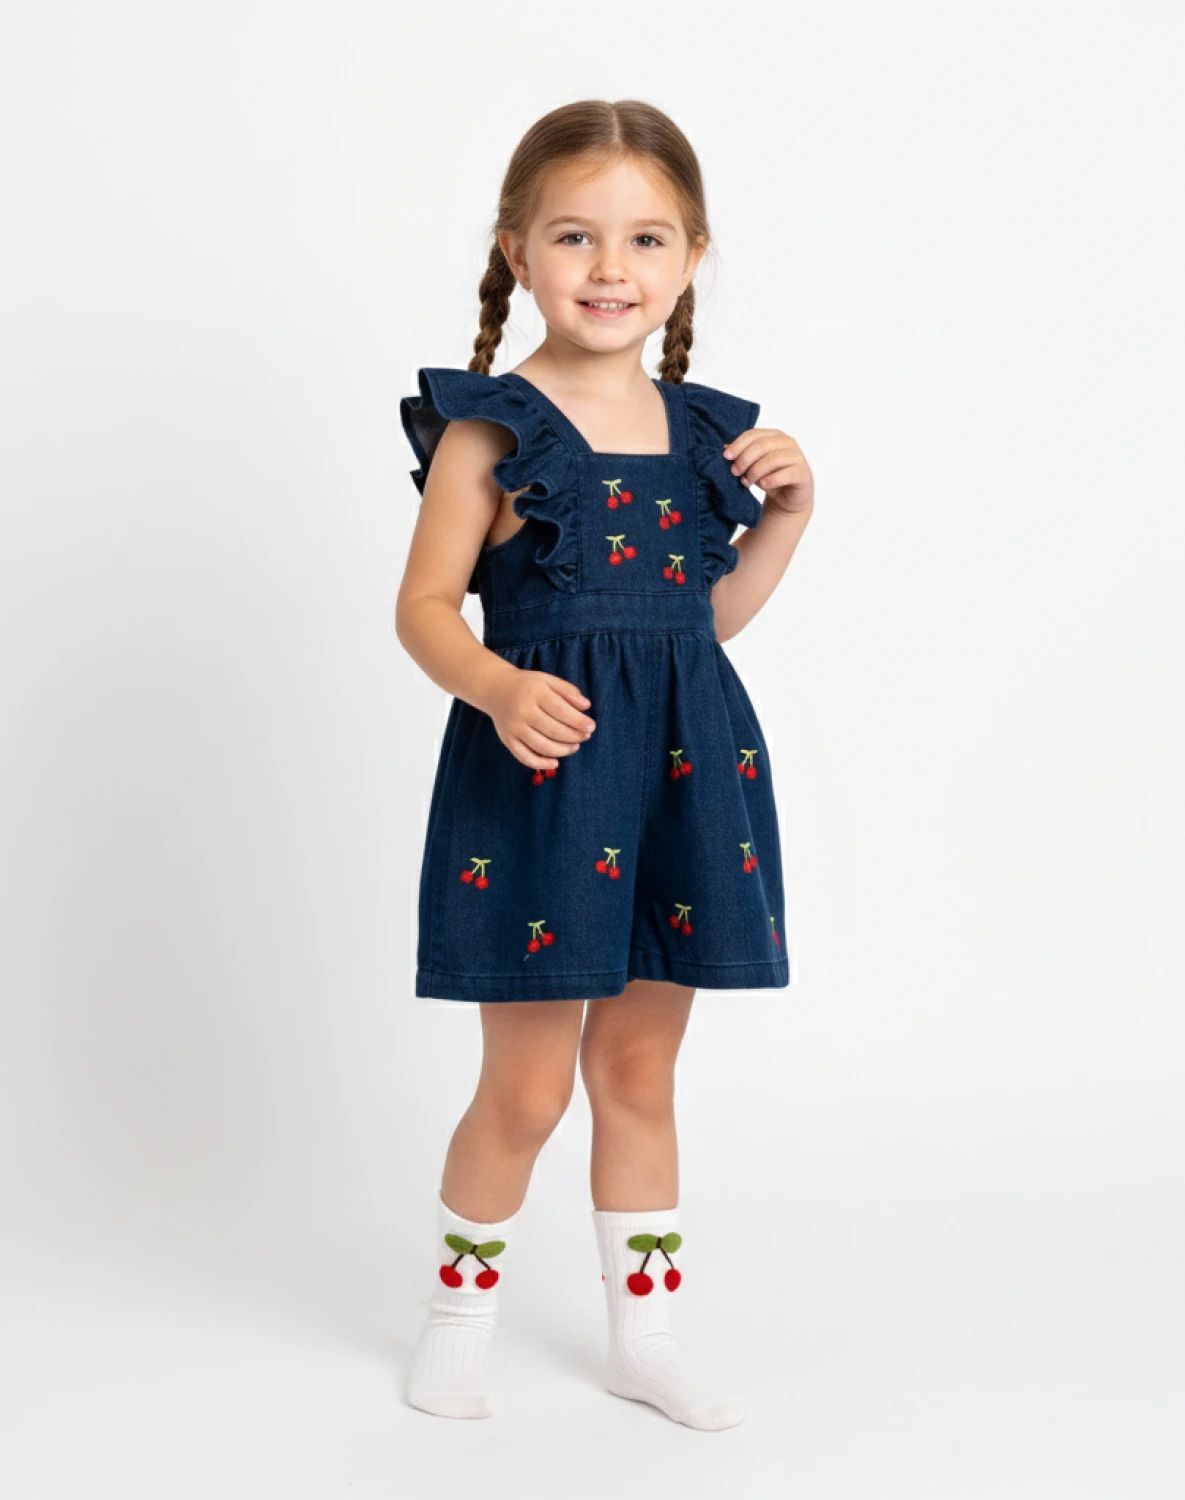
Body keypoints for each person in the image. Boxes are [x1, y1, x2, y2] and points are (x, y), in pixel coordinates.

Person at [394, 99, 814, 1428]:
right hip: (540, 782)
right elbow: (422, 609)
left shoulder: (704, 439)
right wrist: (498, 685)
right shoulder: (492, 431)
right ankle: (458, 1321)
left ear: (690, 257)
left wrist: (786, 519)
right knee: (524, 1089)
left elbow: (703, 622)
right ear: (517, 252)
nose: (610, 267)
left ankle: (647, 1339)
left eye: (645, 238)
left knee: (638, 1072)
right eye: (575, 236)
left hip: (684, 778)